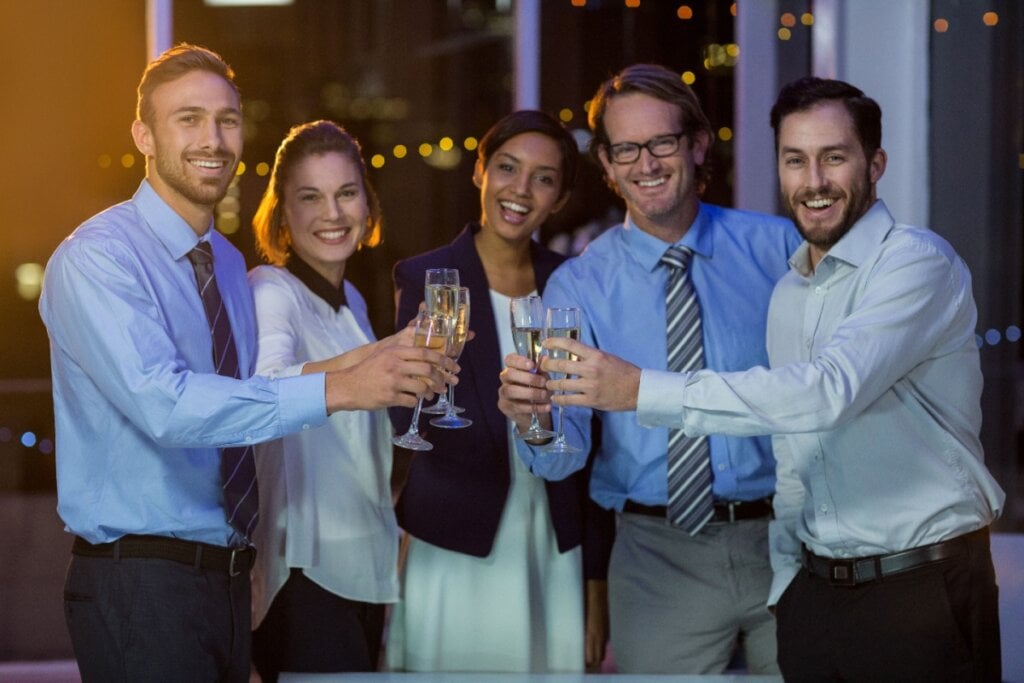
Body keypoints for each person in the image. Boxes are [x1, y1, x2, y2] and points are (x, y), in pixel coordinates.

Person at [540, 77, 1006, 681]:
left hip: (917, 579)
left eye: (833, 157)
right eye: (795, 160)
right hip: (761, 572)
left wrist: (641, 390)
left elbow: (824, 391)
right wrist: (793, 579)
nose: (813, 180)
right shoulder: (792, 285)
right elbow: (795, 454)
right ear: (605, 160)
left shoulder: (908, 261)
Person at [38, 44, 450, 682]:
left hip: (228, 577)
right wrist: (345, 386)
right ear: (143, 134)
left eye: (227, 120)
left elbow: (246, 408)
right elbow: (169, 407)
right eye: (189, 118)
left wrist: (389, 355)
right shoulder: (99, 258)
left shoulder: (226, 264)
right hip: (137, 578)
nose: (213, 138)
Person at [498, 64, 801, 674]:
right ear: (607, 165)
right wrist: (534, 421)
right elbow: (563, 452)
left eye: (661, 142)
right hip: (657, 555)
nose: (647, 164)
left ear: (695, 144)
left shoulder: (781, 250)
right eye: (626, 149)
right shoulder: (578, 284)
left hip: (789, 543)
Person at [386, 110, 614, 673]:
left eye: (543, 178)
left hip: (550, 538)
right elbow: (407, 415)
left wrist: (596, 580)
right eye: (507, 168)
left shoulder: (573, 282)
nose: (520, 190)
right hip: (454, 537)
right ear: (480, 172)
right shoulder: (427, 276)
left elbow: (599, 445)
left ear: (559, 198)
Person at [247, 120, 409, 679]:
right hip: (304, 568)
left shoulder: (354, 301)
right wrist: (382, 357)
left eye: (346, 193)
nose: (333, 214)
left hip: (363, 560)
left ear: (367, 203)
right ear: (282, 213)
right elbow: (266, 389)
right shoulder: (271, 289)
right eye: (310, 197)